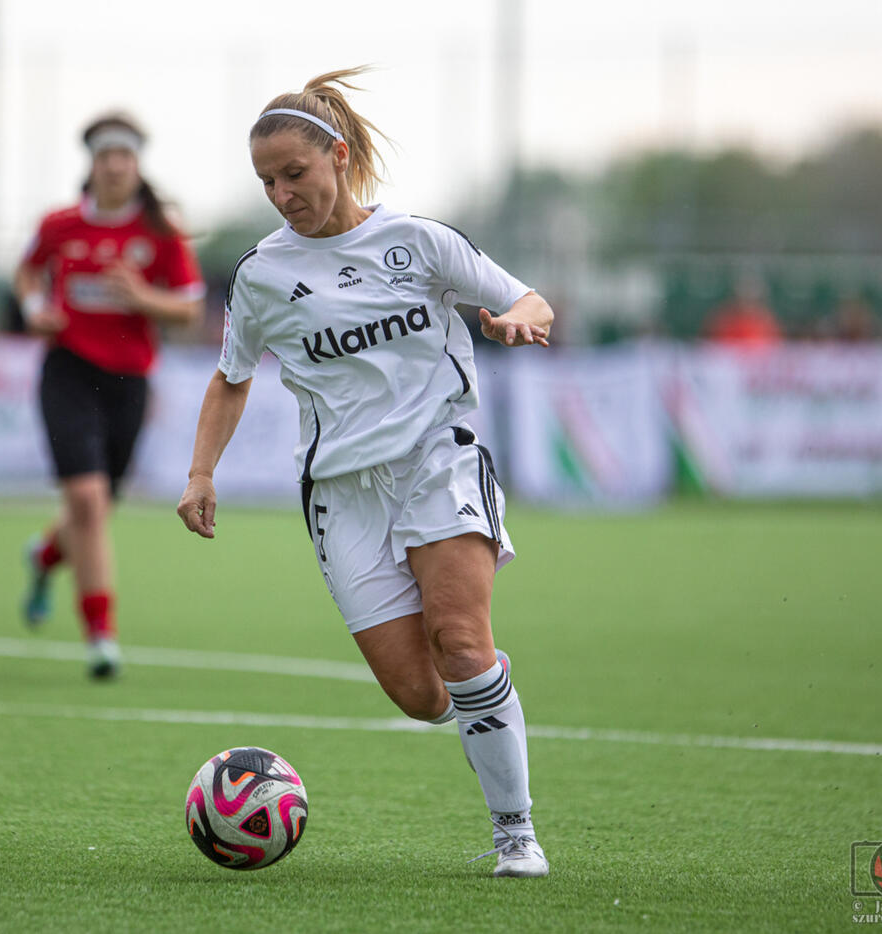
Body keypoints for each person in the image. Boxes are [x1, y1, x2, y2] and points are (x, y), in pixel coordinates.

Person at [176, 68, 555, 877]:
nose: (280, 194)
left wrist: (517, 322)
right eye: (267, 181)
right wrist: (200, 472)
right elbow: (231, 376)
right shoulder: (261, 276)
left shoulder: (417, 241)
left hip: (436, 460)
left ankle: (515, 833)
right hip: (341, 494)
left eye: (294, 175)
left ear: (338, 157)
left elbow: (530, 300)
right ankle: (485, 695)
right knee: (422, 698)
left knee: (460, 639)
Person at [15, 113, 204, 678]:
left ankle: (47, 556)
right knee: (89, 504)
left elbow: (190, 307)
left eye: (126, 155)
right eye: (106, 155)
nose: (116, 164)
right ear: (92, 164)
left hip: (129, 383)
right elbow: (26, 274)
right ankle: (102, 638)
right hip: (67, 373)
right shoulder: (59, 224)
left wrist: (143, 296)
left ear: (137, 165)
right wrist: (34, 310)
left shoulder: (160, 232)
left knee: (95, 507)